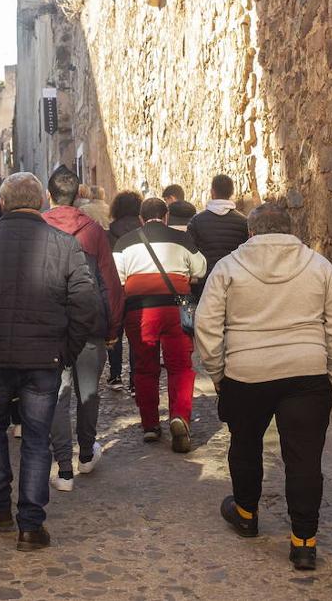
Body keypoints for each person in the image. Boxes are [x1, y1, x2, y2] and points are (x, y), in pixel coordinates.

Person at [194, 202, 332, 571]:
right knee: (304, 458)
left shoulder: (229, 268)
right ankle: (303, 542)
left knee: (245, 444)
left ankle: (246, 513)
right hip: (306, 373)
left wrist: (219, 372)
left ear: (251, 233)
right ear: (290, 229)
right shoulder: (319, 266)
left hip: (246, 372)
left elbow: (207, 325)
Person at [0, 172, 99, 551]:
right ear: (41, 202)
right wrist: (68, 347)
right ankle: (30, 524)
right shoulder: (65, 246)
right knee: (36, 438)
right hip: (43, 357)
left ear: (2, 202)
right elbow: (85, 302)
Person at [42, 166, 124, 492]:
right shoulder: (93, 231)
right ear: (77, 196)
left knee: (57, 395)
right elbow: (110, 284)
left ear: (49, 196)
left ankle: (63, 469)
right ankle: (86, 454)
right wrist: (114, 327)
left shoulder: (39, 230)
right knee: (88, 392)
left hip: (52, 328)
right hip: (89, 325)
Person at [113, 197, 206, 452]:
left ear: (141, 219)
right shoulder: (183, 239)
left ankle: (151, 425)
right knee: (181, 366)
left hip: (140, 309)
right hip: (179, 307)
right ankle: (180, 416)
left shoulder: (124, 243)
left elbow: (116, 278)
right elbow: (200, 268)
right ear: (165, 216)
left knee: (144, 367)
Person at [186, 174, 250, 296]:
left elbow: (190, 251)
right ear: (231, 193)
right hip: (234, 279)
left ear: (212, 192)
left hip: (206, 280)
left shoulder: (197, 221)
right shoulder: (243, 221)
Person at [104, 190, 143, 390]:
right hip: (137, 287)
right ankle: (136, 377)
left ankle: (115, 374)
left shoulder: (108, 234)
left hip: (115, 288)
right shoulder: (143, 232)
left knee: (115, 331)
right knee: (136, 334)